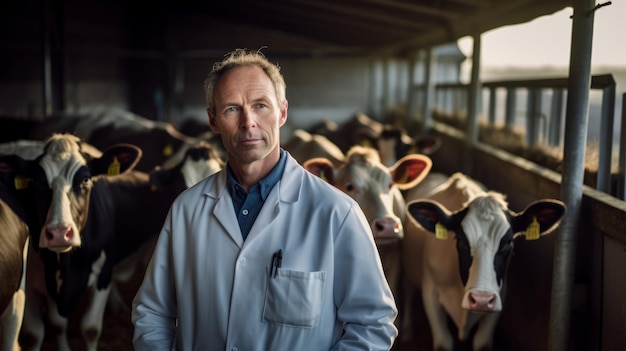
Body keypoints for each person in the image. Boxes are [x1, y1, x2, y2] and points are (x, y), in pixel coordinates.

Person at [131, 48, 398, 350]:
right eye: (232, 108)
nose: (248, 122)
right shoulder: (187, 210)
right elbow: (152, 313)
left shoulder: (336, 213)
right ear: (213, 120)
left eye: (260, 106)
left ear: (282, 112)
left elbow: (372, 324)